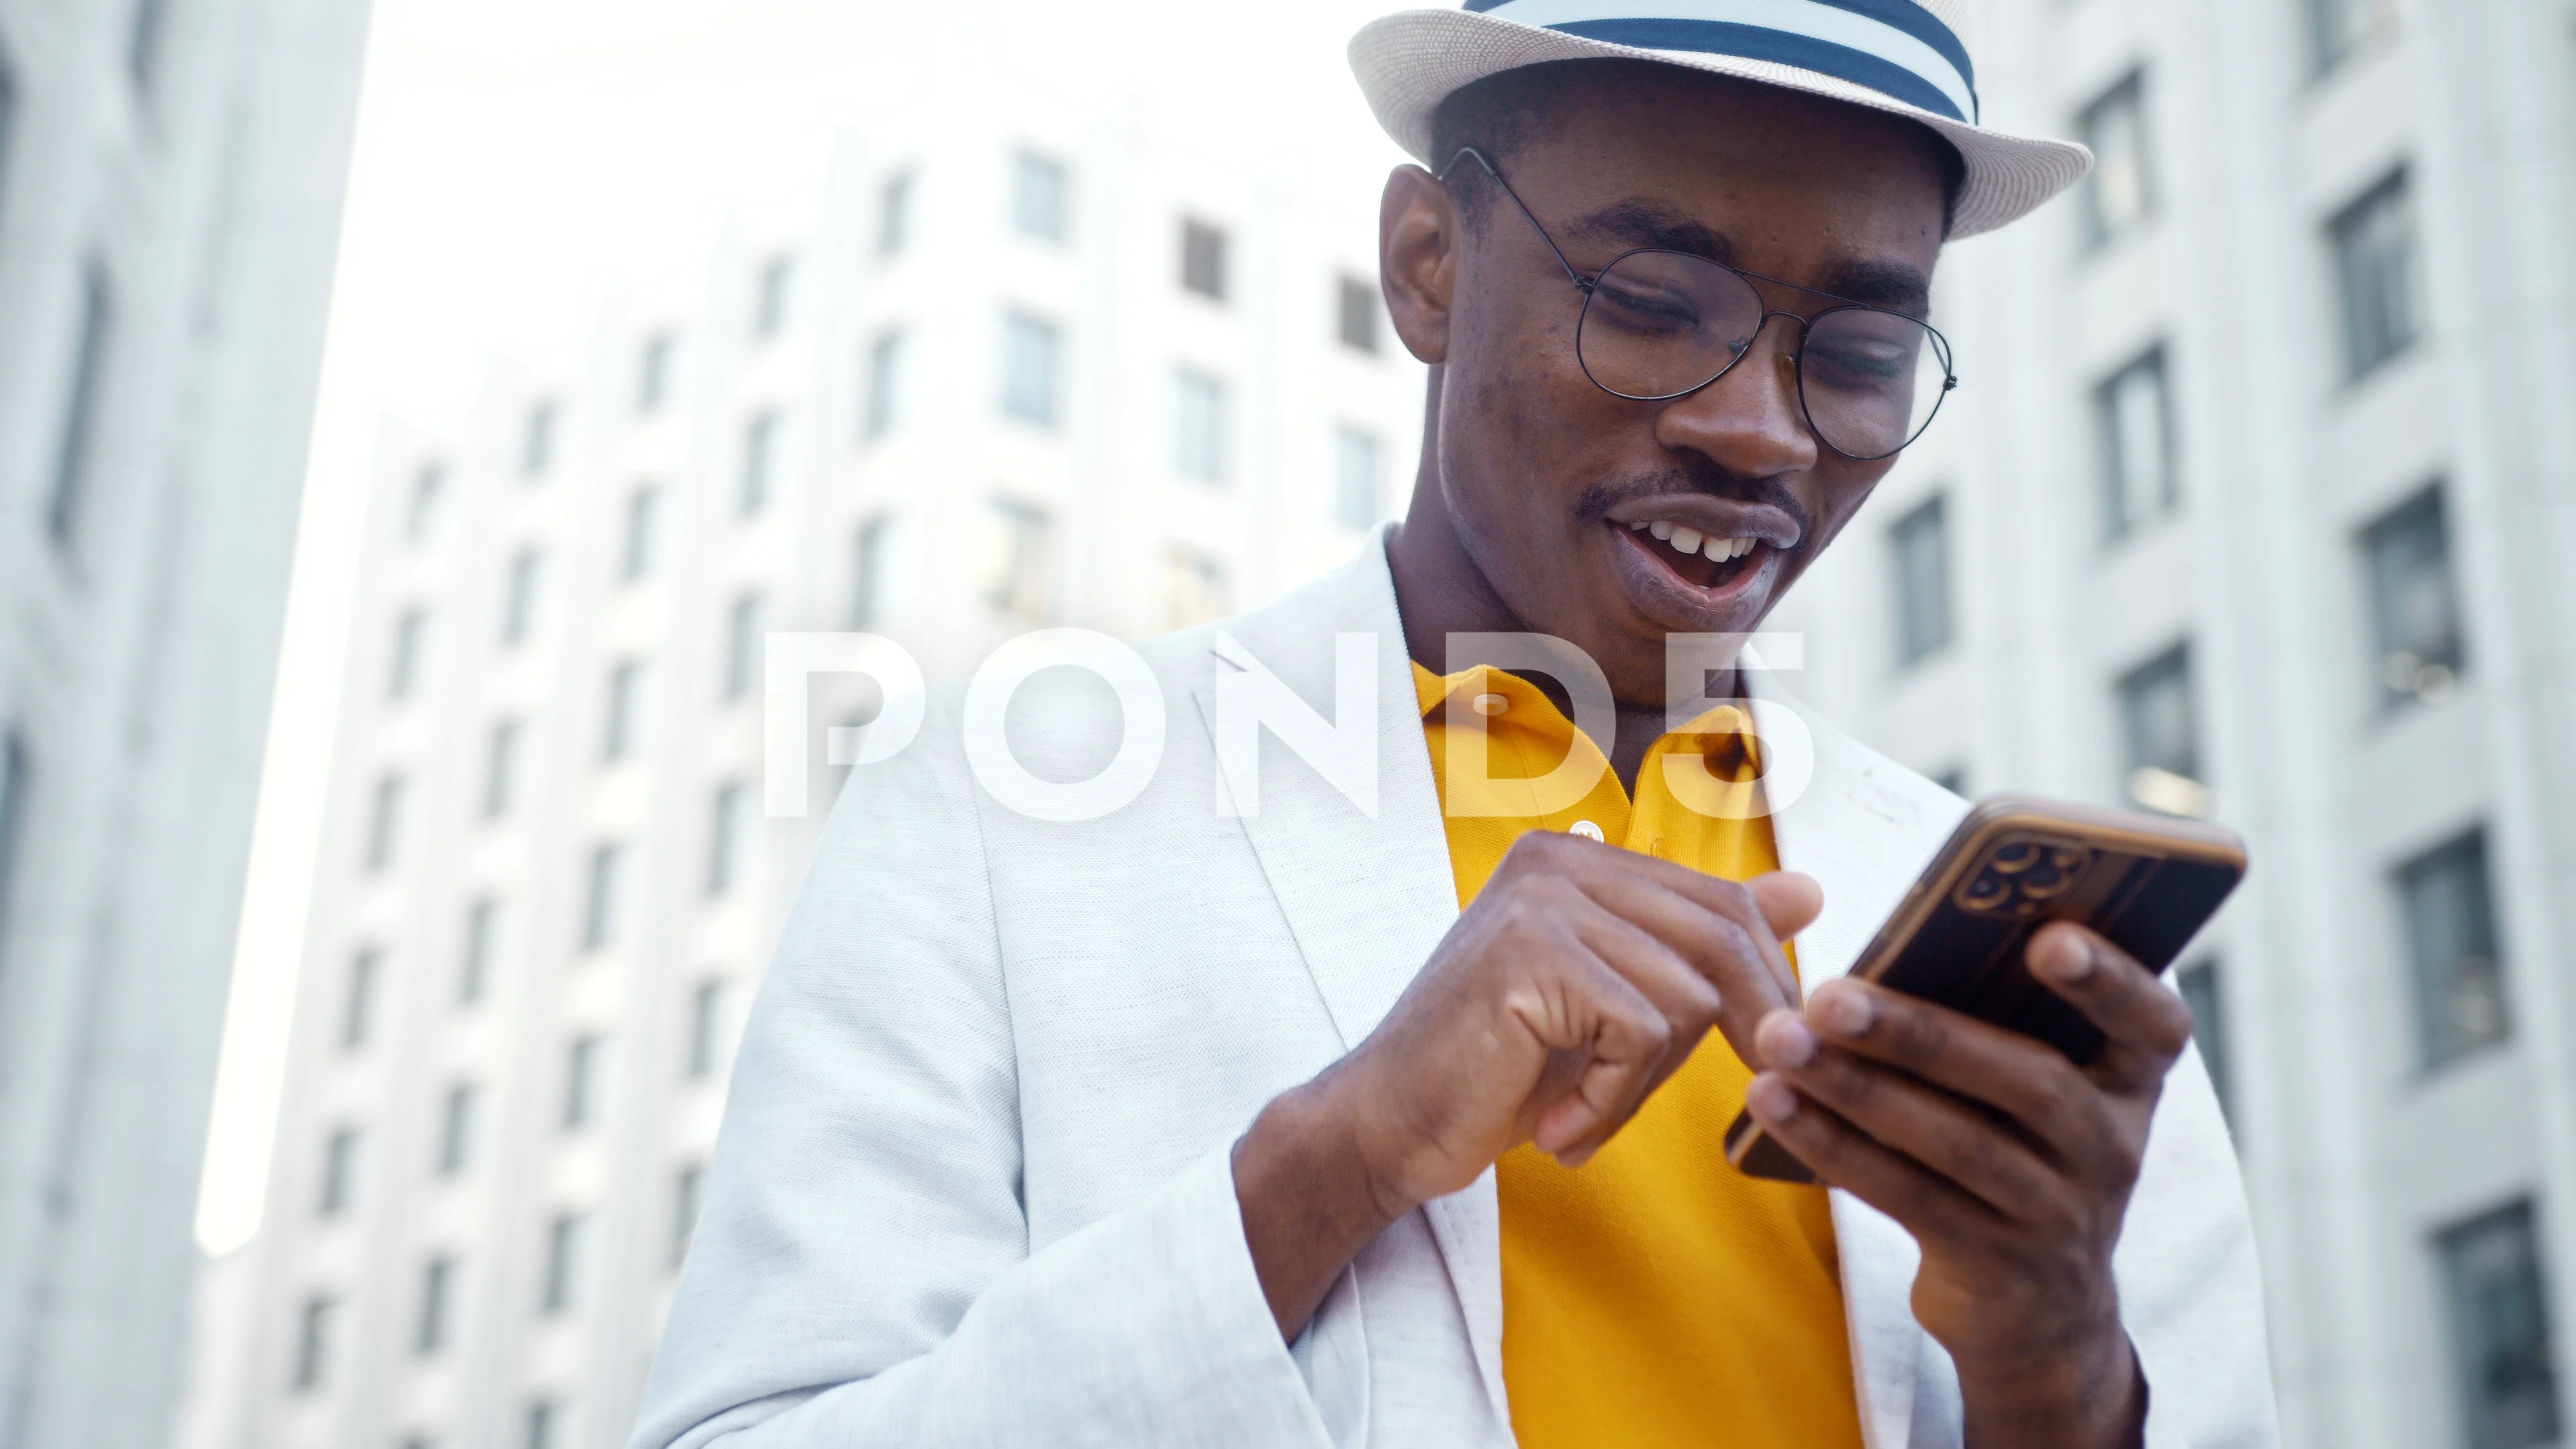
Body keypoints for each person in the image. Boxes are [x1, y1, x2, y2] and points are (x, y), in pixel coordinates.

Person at [630, 4, 2275, 1446]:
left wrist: (2058, 1368)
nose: (1761, 430)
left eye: (1853, 351)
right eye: (1652, 300)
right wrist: (1339, 1154)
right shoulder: (1002, 811)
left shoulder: (2025, 958)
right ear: (1426, 266)